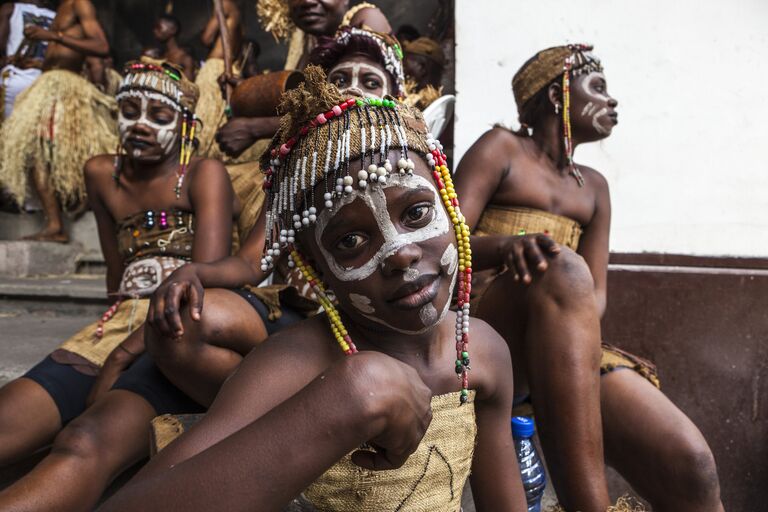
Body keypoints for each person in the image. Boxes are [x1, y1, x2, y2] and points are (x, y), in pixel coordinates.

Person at [100, 66, 527, 512]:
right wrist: (351, 397)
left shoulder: (484, 351)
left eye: (417, 213)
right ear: (317, 271)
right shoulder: (293, 366)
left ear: (451, 207)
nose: (399, 252)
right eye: (350, 241)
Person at [454, 44, 723, 511]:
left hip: (563, 336)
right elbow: (445, 247)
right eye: (597, 88)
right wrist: (508, 246)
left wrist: (564, 296)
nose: (611, 101)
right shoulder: (501, 148)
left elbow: (594, 297)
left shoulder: (595, 187)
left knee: (691, 465)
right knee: (560, 269)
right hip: (484, 325)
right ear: (558, 95)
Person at [0, 59, 239, 511]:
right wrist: (102, 341)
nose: (142, 124)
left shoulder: (203, 174)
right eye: (130, 110)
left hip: (174, 330)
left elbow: (203, 287)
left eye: (160, 115)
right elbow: (115, 272)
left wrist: (126, 354)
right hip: (110, 329)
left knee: (85, 438)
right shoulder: (101, 173)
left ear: (185, 124)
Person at [144, 28, 407, 409]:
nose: (352, 90)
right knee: (182, 326)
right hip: (305, 321)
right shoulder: (299, 172)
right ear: (322, 96)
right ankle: (277, 427)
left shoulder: (411, 168)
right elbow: (251, 262)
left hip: (382, 328)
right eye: (339, 81)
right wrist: (192, 273)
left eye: (369, 82)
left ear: (393, 99)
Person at [214, 0, 393, 160]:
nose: (306, 1)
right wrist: (249, 93)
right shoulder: (308, 43)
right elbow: (303, 106)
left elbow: (356, 111)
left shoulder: (366, 19)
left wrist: (255, 128)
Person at [0, 0, 114, 242]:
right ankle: (54, 224)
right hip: (49, 82)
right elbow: (67, 54)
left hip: (64, 89)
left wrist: (52, 35)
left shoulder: (79, 4)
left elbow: (101, 46)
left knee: (59, 153)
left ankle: (71, 212)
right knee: (36, 153)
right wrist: (37, 64)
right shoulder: (62, 9)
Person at [195, 0, 242, 159]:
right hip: (229, 65)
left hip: (215, 65)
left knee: (206, 112)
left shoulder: (224, 3)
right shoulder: (236, 9)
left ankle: (205, 150)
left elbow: (206, 38)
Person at [0, 0, 55, 120]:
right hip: (47, 82)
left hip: (15, 79)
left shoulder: (10, 8)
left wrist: (6, 60)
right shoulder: (60, 16)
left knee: (7, 131)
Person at [403, 36, 444, 109]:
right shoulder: (442, 107)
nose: (402, 70)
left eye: (405, 65)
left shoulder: (417, 104)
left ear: (422, 67)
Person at [153, 14, 196, 80]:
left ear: (173, 30)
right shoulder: (160, 56)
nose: (155, 31)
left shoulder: (185, 58)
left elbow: (188, 86)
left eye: (159, 27)